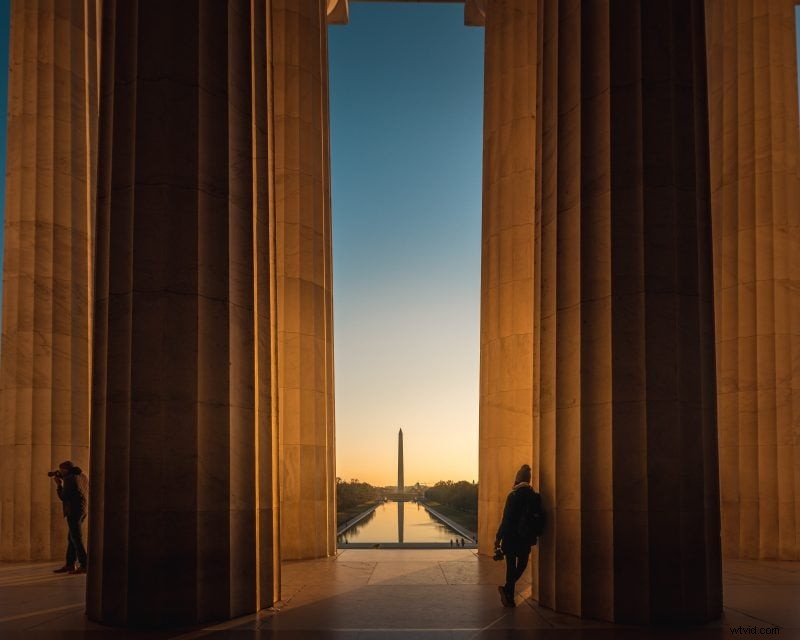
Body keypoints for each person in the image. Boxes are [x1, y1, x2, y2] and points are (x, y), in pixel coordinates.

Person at [494, 464, 544, 608]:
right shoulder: (534, 496)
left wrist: (498, 538)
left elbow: (506, 519)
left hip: (510, 537)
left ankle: (508, 592)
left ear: (517, 480)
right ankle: (508, 592)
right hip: (525, 537)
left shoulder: (513, 496)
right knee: (522, 565)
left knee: (511, 566)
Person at [52, 461, 89, 575]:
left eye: (61, 470)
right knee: (72, 539)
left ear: (66, 470)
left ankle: (85, 564)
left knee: (77, 539)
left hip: (73, 512)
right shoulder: (82, 475)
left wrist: (59, 485)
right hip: (82, 510)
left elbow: (63, 496)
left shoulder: (69, 479)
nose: (60, 472)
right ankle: (70, 564)